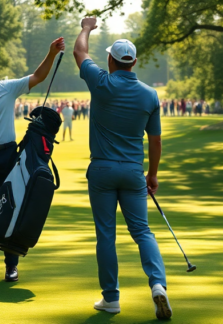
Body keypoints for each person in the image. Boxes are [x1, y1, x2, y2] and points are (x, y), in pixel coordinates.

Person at [73, 17, 171, 320]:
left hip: (102, 170)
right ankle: (158, 285)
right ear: (135, 62)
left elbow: (79, 52)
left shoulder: (101, 80)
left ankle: (111, 299)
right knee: (142, 231)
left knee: (106, 235)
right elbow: (155, 141)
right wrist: (152, 174)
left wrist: (87, 28)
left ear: (111, 60)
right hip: (132, 172)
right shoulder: (149, 94)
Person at [0, 36, 66, 285]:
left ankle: (11, 266)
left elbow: (37, 77)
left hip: (9, 156)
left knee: (13, 207)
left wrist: (51, 53)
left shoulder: (7, 88)